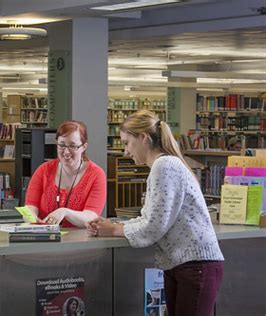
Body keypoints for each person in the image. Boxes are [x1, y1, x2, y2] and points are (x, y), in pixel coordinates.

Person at [87, 110, 224, 316]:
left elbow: (153, 226)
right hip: (183, 265)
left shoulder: (164, 165)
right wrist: (115, 226)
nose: (125, 152)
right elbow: (149, 219)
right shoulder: (163, 165)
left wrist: (113, 230)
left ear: (143, 137)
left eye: (126, 143)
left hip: (195, 265)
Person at [25, 120, 106, 228]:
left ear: (84, 147)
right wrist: (32, 219)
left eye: (73, 146)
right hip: (44, 239)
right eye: (61, 145)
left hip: (81, 242)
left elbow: (91, 217)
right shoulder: (43, 170)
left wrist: (65, 212)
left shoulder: (96, 175)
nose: (66, 152)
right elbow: (30, 206)